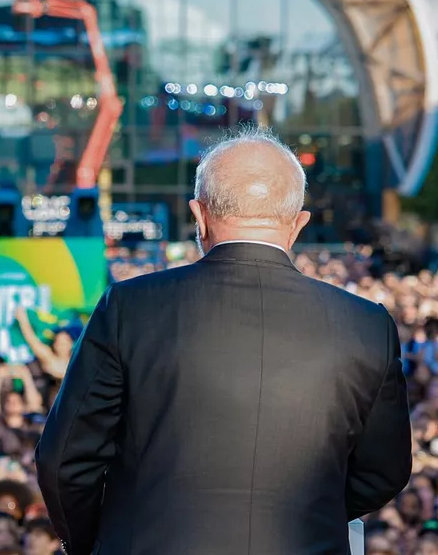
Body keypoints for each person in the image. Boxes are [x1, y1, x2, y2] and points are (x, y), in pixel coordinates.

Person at [35, 126, 413, 554]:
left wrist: (96, 540)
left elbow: (65, 459)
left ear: (199, 216)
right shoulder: (365, 324)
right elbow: (386, 469)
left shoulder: (130, 307)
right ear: (298, 223)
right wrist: (305, 513)